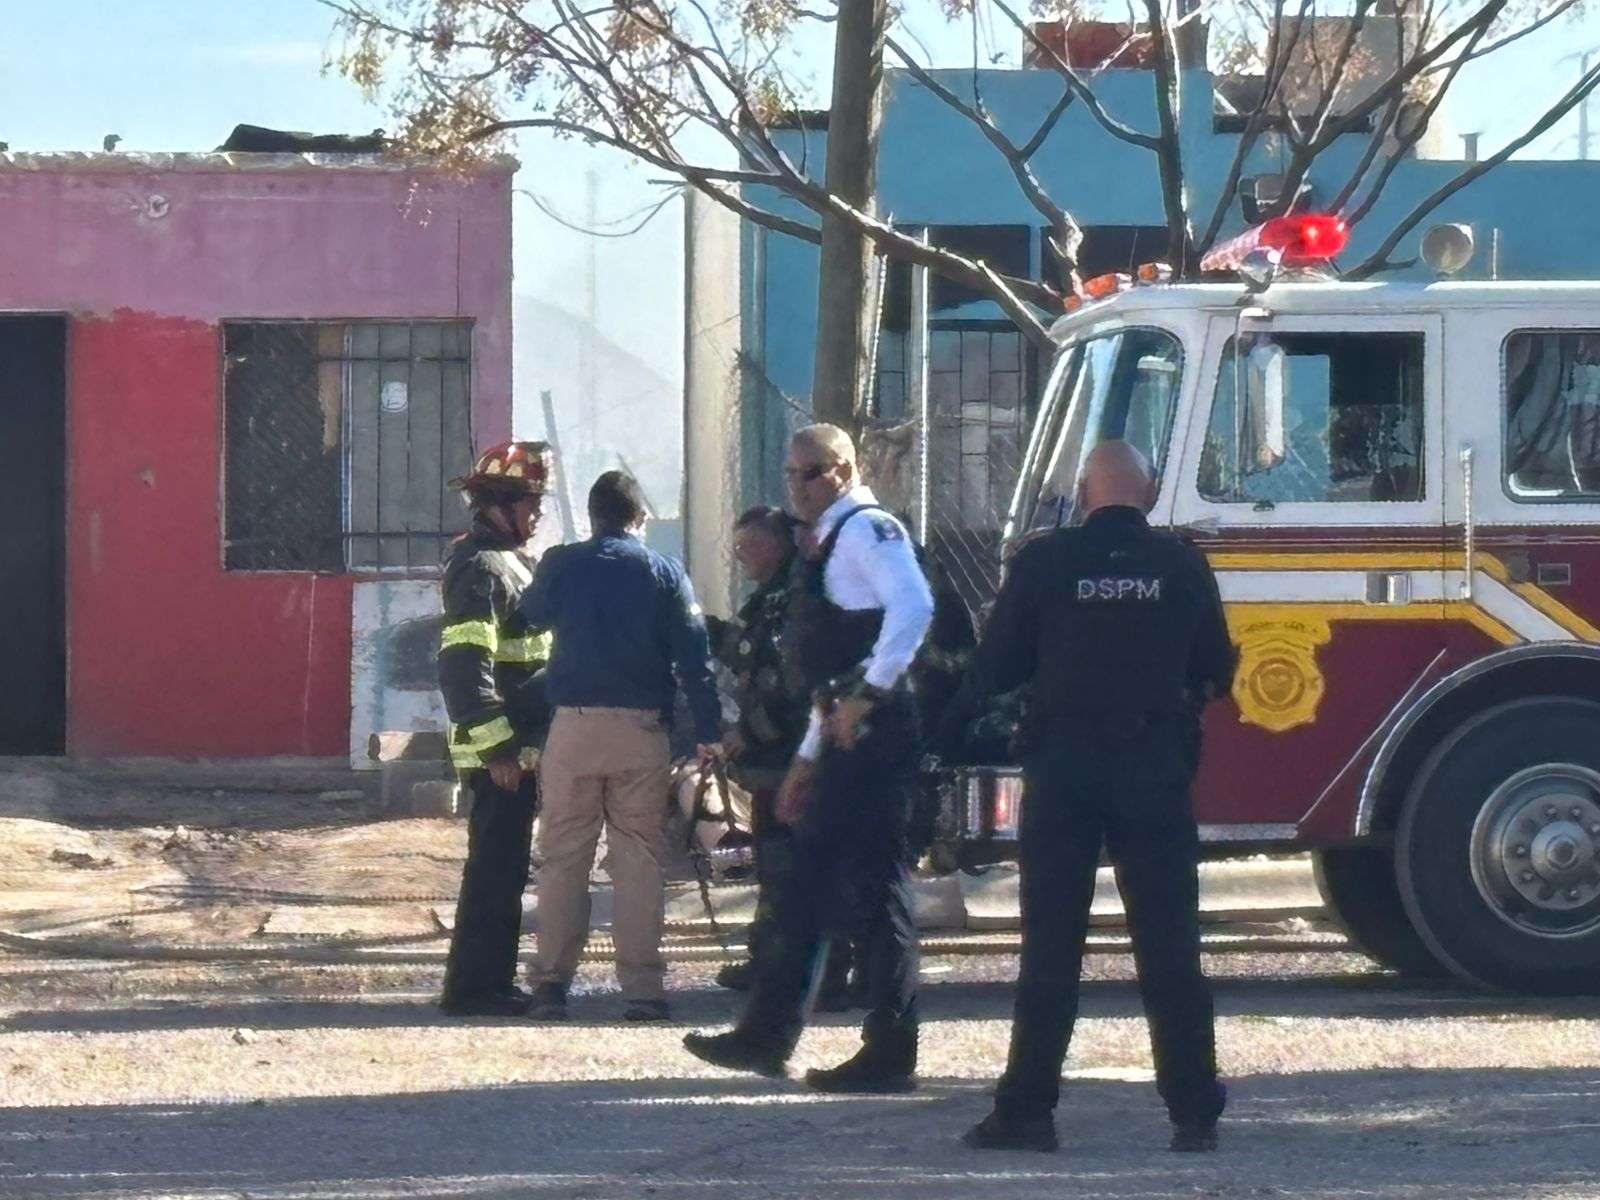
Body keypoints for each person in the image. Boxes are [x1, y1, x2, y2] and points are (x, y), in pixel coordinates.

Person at [952, 440, 1236, 1154]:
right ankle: (1194, 1113)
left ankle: (1026, 1111)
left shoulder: (1045, 562)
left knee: (1051, 947)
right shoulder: (1181, 563)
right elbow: (1216, 666)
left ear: (1083, 496)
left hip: (1064, 768)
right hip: (1153, 767)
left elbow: (998, 665)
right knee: (1170, 944)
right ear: (1149, 493)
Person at [684, 423, 933, 1092]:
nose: (798, 486)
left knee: (875, 892)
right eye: (792, 474)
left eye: (812, 472)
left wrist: (868, 696)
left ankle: (890, 1053)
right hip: (842, 735)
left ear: (845, 470)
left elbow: (914, 608)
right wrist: (806, 758)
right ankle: (765, 1036)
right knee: (803, 888)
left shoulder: (868, 531)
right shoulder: (828, 541)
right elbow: (829, 675)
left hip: (874, 737)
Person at [519, 470, 722, 1022]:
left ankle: (550, 986)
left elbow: (529, 614)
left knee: (564, 857)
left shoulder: (561, 563)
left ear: (592, 516)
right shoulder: (665, 571)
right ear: (640, 518)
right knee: (637, 860)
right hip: (640, 732)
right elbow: (695, 658)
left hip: (573, 728)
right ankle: (642, 990)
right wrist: (709, 732)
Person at [704, 507, 851, 1006]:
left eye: (748, 545)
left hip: (794, 756)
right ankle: (770, 961)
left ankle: (823, 973)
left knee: (803, 866)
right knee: (775, 865)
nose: (740, 555)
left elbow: (795, 686)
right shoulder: (767, 601)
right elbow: (746, 653)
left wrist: (751, 731)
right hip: (772, 761)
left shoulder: (797, 599)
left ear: (776, 545)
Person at [437, 440, 556, 1018]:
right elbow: (465, 665)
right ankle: (474, 988)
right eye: (531, 503)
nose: (538, 513)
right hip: (501, 754)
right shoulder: (483, 568)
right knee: (494, 868)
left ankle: (490, 982)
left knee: (506, 868)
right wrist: (499, 750)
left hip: (519, 746)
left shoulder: (509, 561)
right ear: (498, 505)